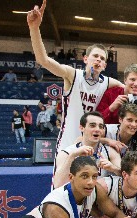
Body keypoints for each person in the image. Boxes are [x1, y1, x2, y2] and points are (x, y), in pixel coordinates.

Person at [27, 0, 124, 155]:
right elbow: (43, 60)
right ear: (85, 59)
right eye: (95, 56)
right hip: (67, 143)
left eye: (102, 58)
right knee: (63, 180)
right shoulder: (73, 75)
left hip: (92, 145)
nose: (98, 60)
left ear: (105, 65)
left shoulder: (107, 82)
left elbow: (132, 87)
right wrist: (34, 28)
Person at [54, 112, 121, 188]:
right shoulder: (67, 153)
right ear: (82, 128)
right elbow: (58, 185)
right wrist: (72, 156)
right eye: (92, 125)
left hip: (100, 196)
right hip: (76, 197)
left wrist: (114, 169)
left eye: (100, 126)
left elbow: (126, 177)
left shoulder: (110, 152)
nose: (97, 129)